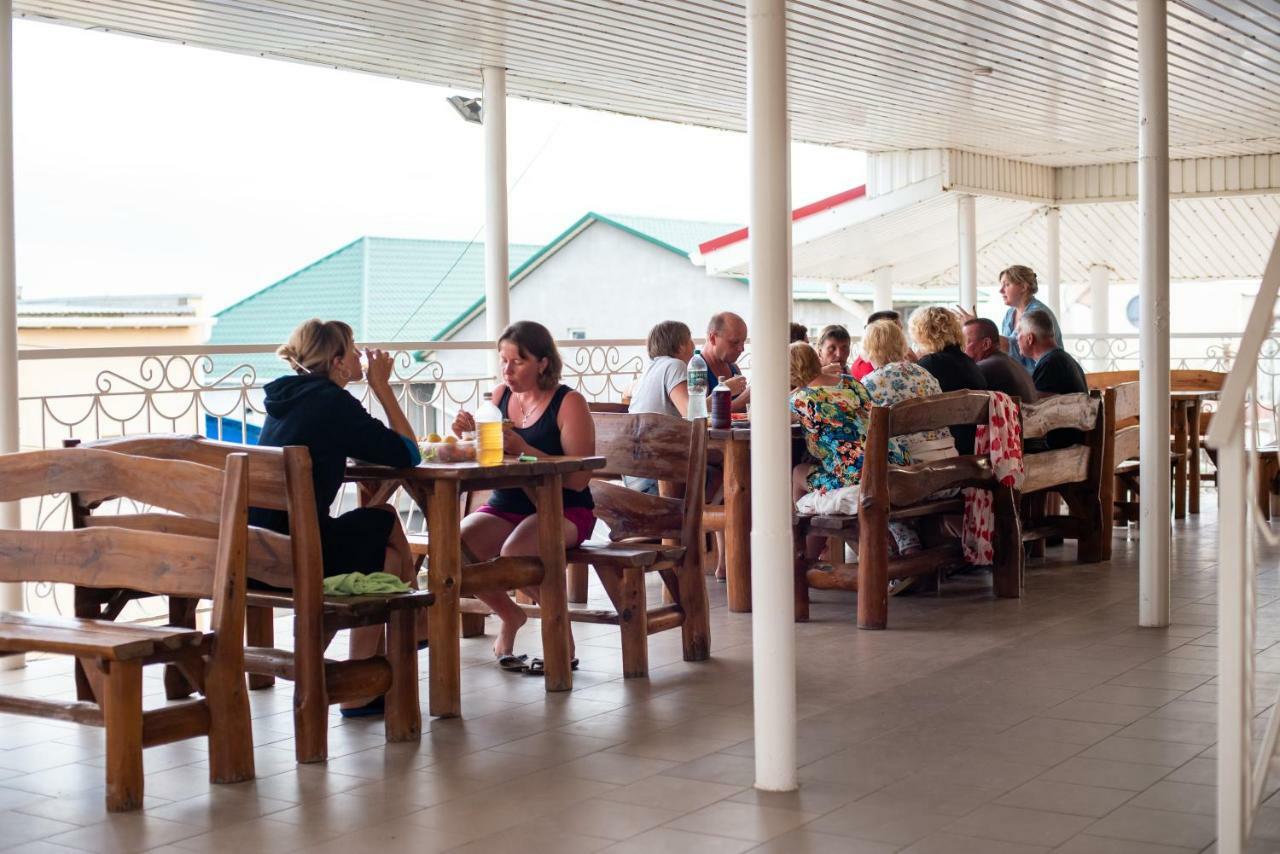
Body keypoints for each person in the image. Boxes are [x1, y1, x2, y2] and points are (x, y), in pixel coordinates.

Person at [253, 318, 421, 717]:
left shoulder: (285, 399)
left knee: (387, 552)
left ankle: (354, 680)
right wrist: (382, 388)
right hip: (299, 550)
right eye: (354, 348)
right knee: (384, 521)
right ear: (337, 361)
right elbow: (409, 455)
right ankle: (412, 631)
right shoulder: (332, 402)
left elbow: (348, 442)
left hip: (259, 545)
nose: (362, 355)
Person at [451, 321, 596, 672]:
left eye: (517, 361)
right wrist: (469, 437)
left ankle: (562, 639)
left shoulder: (568, 402)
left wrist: (526, 449)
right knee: (452, 549)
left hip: (565, 507)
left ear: (543, 363)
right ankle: (510, 615)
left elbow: (579, 478)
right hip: (508, 503)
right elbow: (493, 455)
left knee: (516, 553)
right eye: (504, 361)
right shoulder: (500, 397)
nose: (507, 369)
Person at [788, 342, 918, 555]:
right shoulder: (850, 383)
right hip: (894, 461)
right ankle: (815, 551)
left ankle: (804, 553)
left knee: (797, 473)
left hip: (857, 475)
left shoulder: (800, 399)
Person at [861, 320, 957, 463]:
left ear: (868, 349)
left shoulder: (869, 382)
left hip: (910, 463)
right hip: (949, 455)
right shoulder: (924, 373)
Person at [910, 306, 987, 454]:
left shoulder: (930, 364)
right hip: (972, 447)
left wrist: (911, 366)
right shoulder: (969, 363)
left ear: (923, 335)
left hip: (948, 448)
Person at [955, 265, 1062, 372]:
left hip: (1043, 375)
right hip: (1021, 377)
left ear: (1024, 287)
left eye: (1007, 285)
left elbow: (1014, 346)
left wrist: (976, 327)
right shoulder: (1009, 314)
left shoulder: (1037, 313)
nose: (1001, 291)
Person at [1018, 309, 1089, 449]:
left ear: (1030, 338)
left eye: (1019, 332)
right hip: (1074, 449)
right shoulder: (1065, 360)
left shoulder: (1051, 364)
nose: (1016, 338)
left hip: (1058, 451)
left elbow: (1034, 417)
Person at [962, 316, 1039, 403]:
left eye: (965, 343)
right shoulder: (1007, 362)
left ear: (986, 344)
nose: (961, 348)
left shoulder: (987, 366)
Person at [702, 311, 750, 412]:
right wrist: (740, 401)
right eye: (735, 342)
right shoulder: (697, 369)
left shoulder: (734, 368)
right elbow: (697, 413)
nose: (741, 349)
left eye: (743, 342)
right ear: (712, 338)